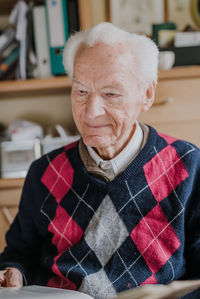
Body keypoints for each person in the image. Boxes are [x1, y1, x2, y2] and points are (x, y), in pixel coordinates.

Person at [0, 22, 200, 299]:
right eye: (81, 92)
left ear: (147, 95)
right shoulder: (44, 172)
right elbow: (19, 253)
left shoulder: (190, 166)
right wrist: (14, 271)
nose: (91, 112)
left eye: (111, 94)